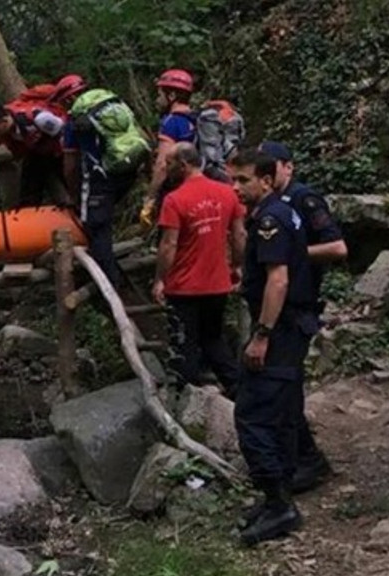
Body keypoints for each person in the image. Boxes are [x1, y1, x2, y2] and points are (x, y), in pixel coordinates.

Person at [228, 147, 319, 546]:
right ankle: (276, 498)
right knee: (279, 412)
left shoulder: (270, 219)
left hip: (280, 331)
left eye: (243, 180)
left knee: (253, 414)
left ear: (265, 180)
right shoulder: (280, 211)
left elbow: (278, 280)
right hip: (289, 326)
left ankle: (280, 505)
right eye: (233, 180)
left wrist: (261, 335)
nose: (236, 187)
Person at [258, 141, 348, 494]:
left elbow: (337, 247)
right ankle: (293, 456)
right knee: (281, 387)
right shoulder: (270, 206)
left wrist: (292, 253)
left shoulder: (303, 199)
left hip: (298, 304)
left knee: (286, 387)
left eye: (272, 167)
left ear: (287, 167)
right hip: (280, 305)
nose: (266, 175)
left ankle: (307, 461)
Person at [151, 142, 244, 396]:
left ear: (183, 165)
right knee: (213, 338)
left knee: (184, 343)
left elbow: (168, 244)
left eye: (169, 164)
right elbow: (239, 234)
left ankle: (185, 397)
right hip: (217, 284)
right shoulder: (227, 193)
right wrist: (236, 265)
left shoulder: (175, 199)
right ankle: (238, 389)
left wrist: (160, 279)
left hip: (183, 286)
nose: (165, 168)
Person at [61, 76, 150, 284]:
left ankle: (110, 285)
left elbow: (70, 165)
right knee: (104, 221)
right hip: (129, 170)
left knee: (94, 225)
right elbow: (140, 135)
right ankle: (113, 270)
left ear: (69, 98)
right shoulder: (115, 104)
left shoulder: (75, 120)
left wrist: (73, 195)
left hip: (99, 179)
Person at [0, 83, 68, 208]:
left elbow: (63, 132)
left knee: (69, 179)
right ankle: (28, 214)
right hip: (37, 150)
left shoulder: (39, 118)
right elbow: (0, 138)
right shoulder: (6, 128)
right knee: (29, 187)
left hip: (57, 150)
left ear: (4, 121)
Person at [139, 68, 197, 226]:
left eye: (160, 95)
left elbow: (162, 165)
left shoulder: (171, 122)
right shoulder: (194, 120)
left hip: (176, 191)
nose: (157, 100)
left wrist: (150, 198)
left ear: (171, 96)